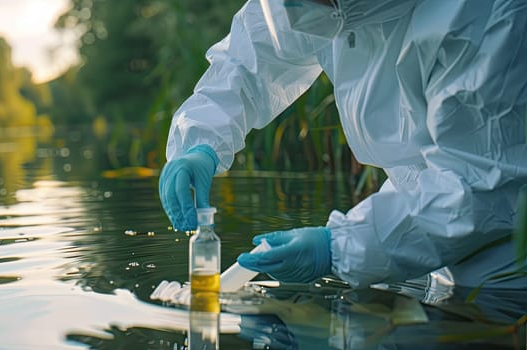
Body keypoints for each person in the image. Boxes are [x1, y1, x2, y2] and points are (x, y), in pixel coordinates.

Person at [158, 0, 527, 289]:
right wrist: (200, 140)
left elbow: (480, 186)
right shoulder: (309, 4)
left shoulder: (488, 15)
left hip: (503, 274)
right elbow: (251, 59)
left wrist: (339, 248)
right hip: (410, 246)